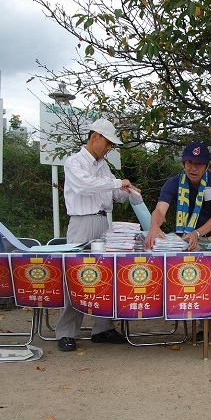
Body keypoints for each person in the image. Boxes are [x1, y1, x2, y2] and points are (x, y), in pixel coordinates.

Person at [144, 142, 211, 342]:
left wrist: (197, 232)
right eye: (189, 163)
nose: (193, 168)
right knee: (198, 282)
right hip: (190, 239)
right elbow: (161, 210)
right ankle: (206, 326)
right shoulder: (174, 183)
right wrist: (154, 227)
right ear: (183, 163)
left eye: (198, 164)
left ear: (207, 166)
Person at [56, 118, 139, 352]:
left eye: (112, 145)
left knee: (104, 275)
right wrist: (116, 183)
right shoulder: (74, 162)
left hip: (104, 222)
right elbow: (85, 185)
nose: (109, 148)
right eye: (108, 143)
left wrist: (128, 191)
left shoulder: (103, 165)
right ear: (95, 137)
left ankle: (102, 328)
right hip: (82, 222)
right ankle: (66, 332)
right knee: (76, 275)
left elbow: (113, 193)